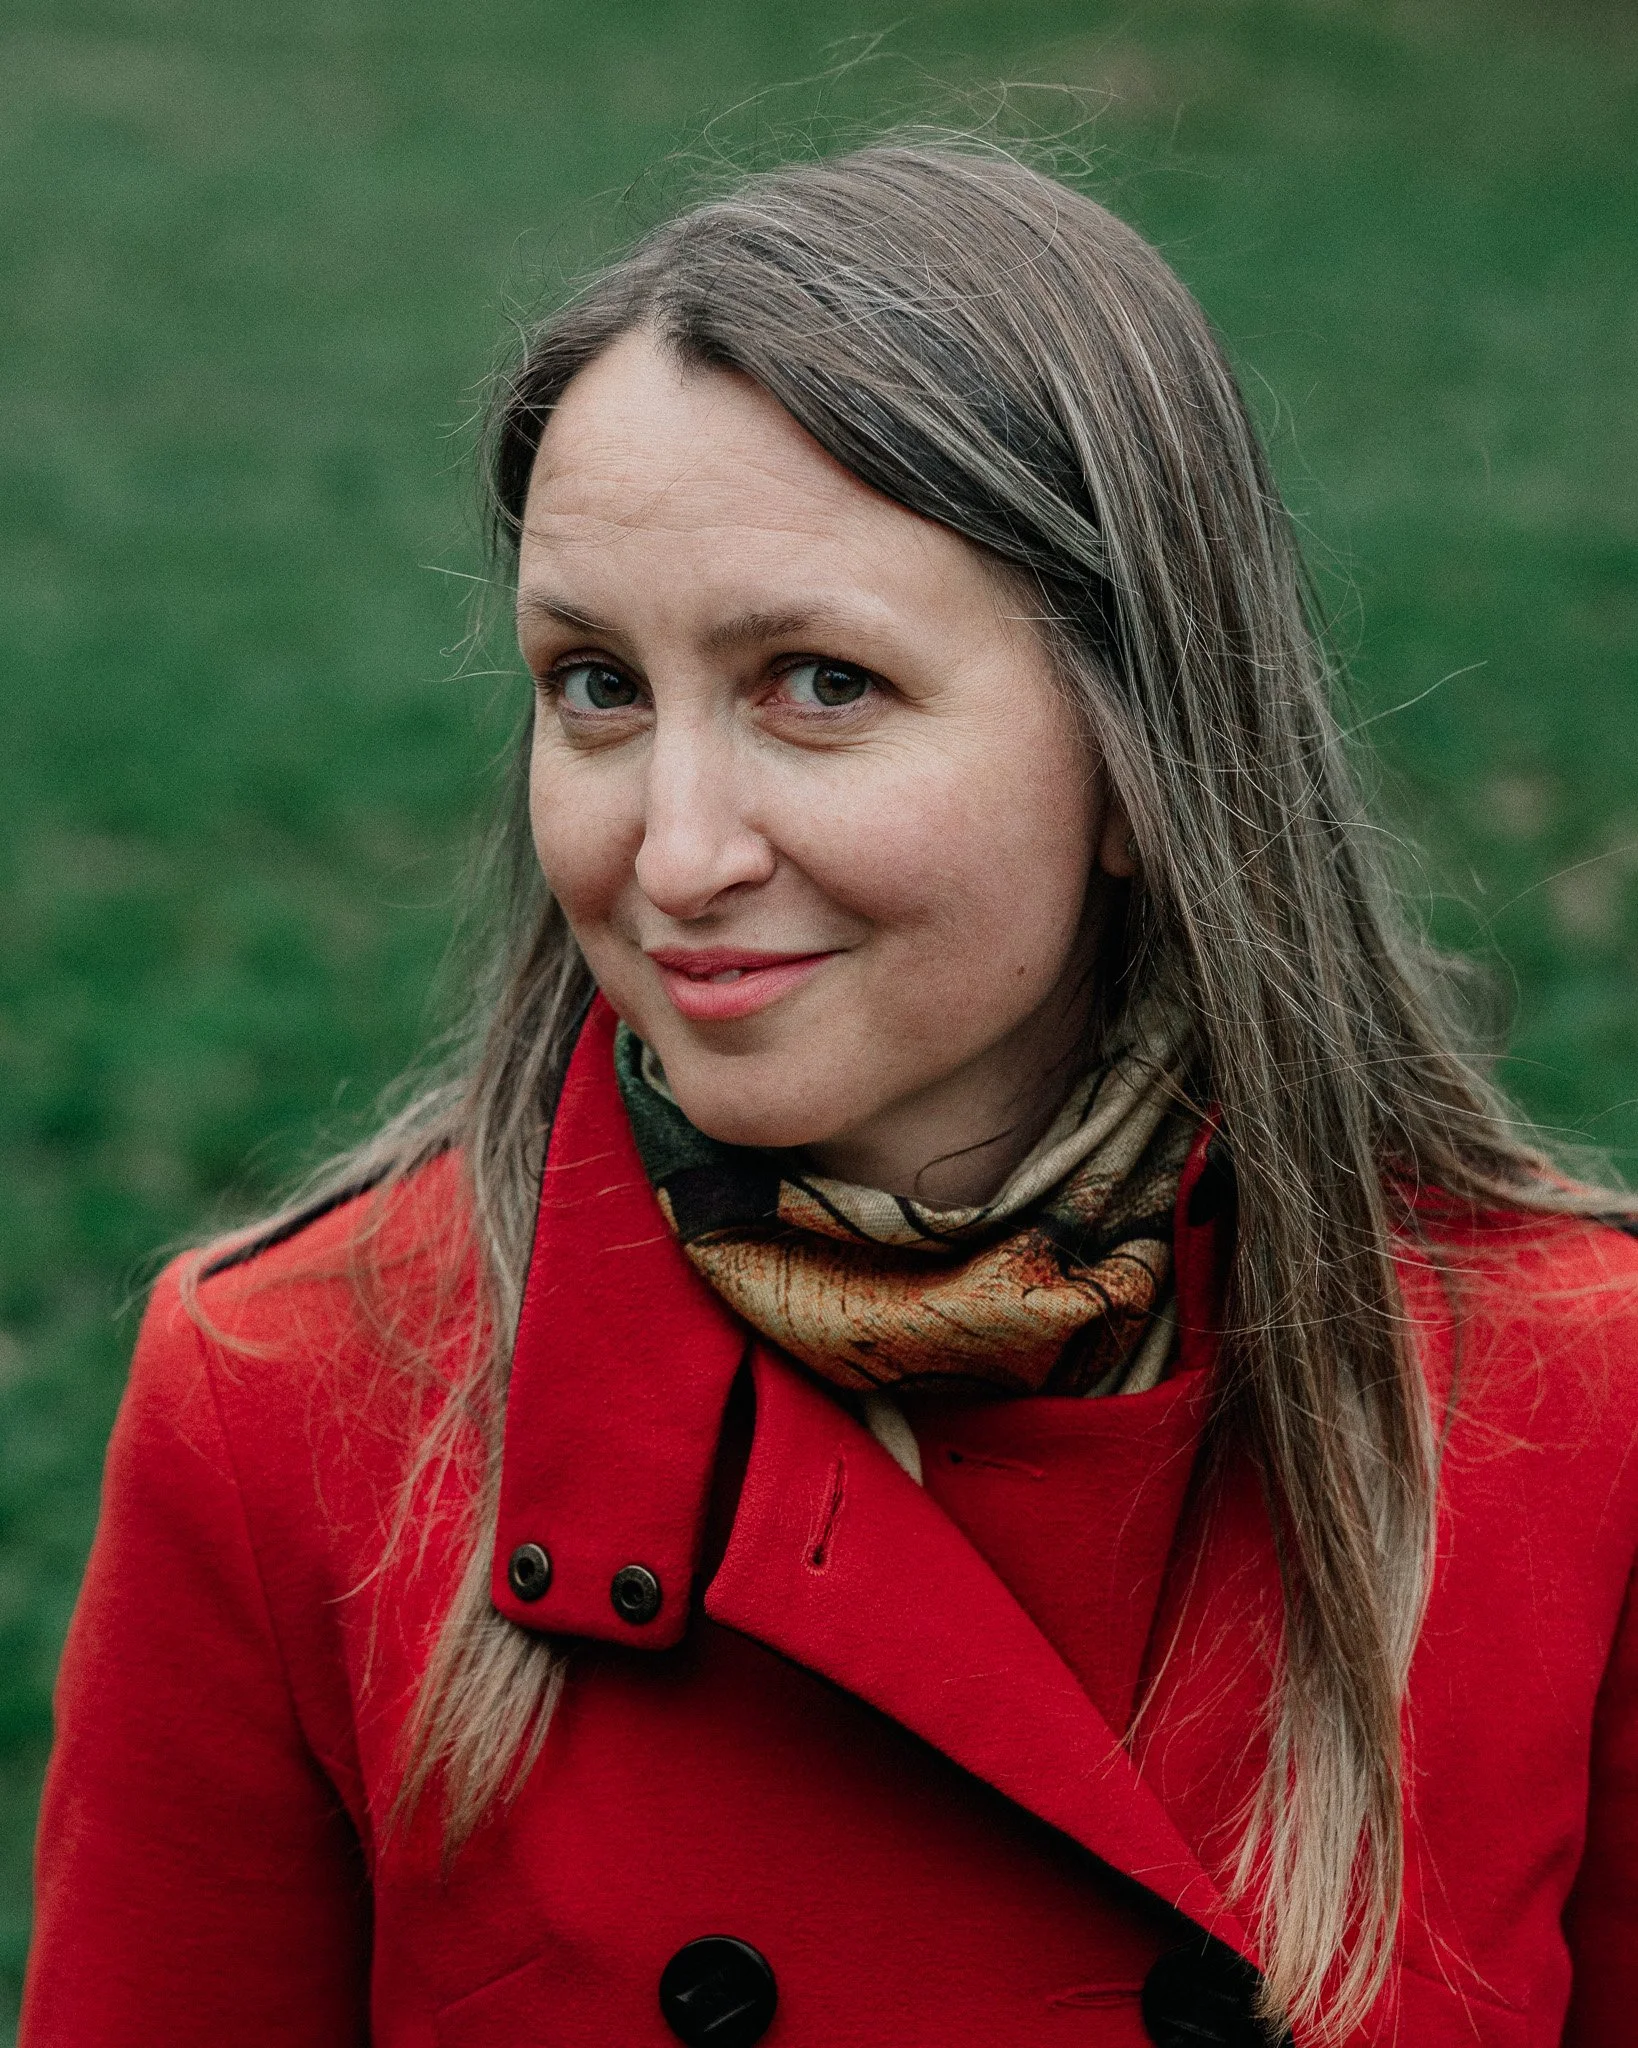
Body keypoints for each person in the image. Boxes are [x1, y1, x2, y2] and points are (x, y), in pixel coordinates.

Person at [21, 143, 1638, 2048]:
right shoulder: (294, 1405)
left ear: (1141, 757)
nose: (676, 850)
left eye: (819, 685)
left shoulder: (1564, 1407)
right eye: (595, 685)